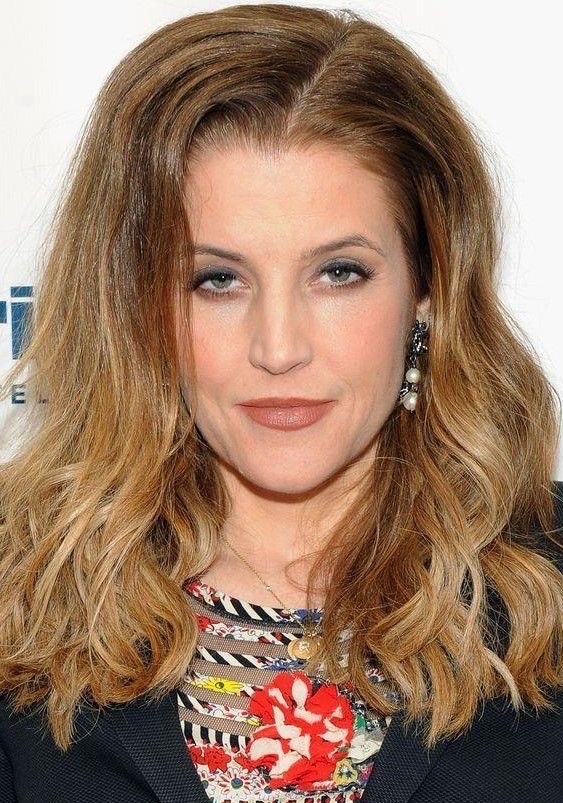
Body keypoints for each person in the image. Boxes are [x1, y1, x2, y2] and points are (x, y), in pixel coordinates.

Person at [1, 3, 562, 801]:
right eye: (216, 280)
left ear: (428, 286)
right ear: (132, 303)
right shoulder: (19, 600)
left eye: (338, 273)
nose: (277, 347)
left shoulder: (545, 589)